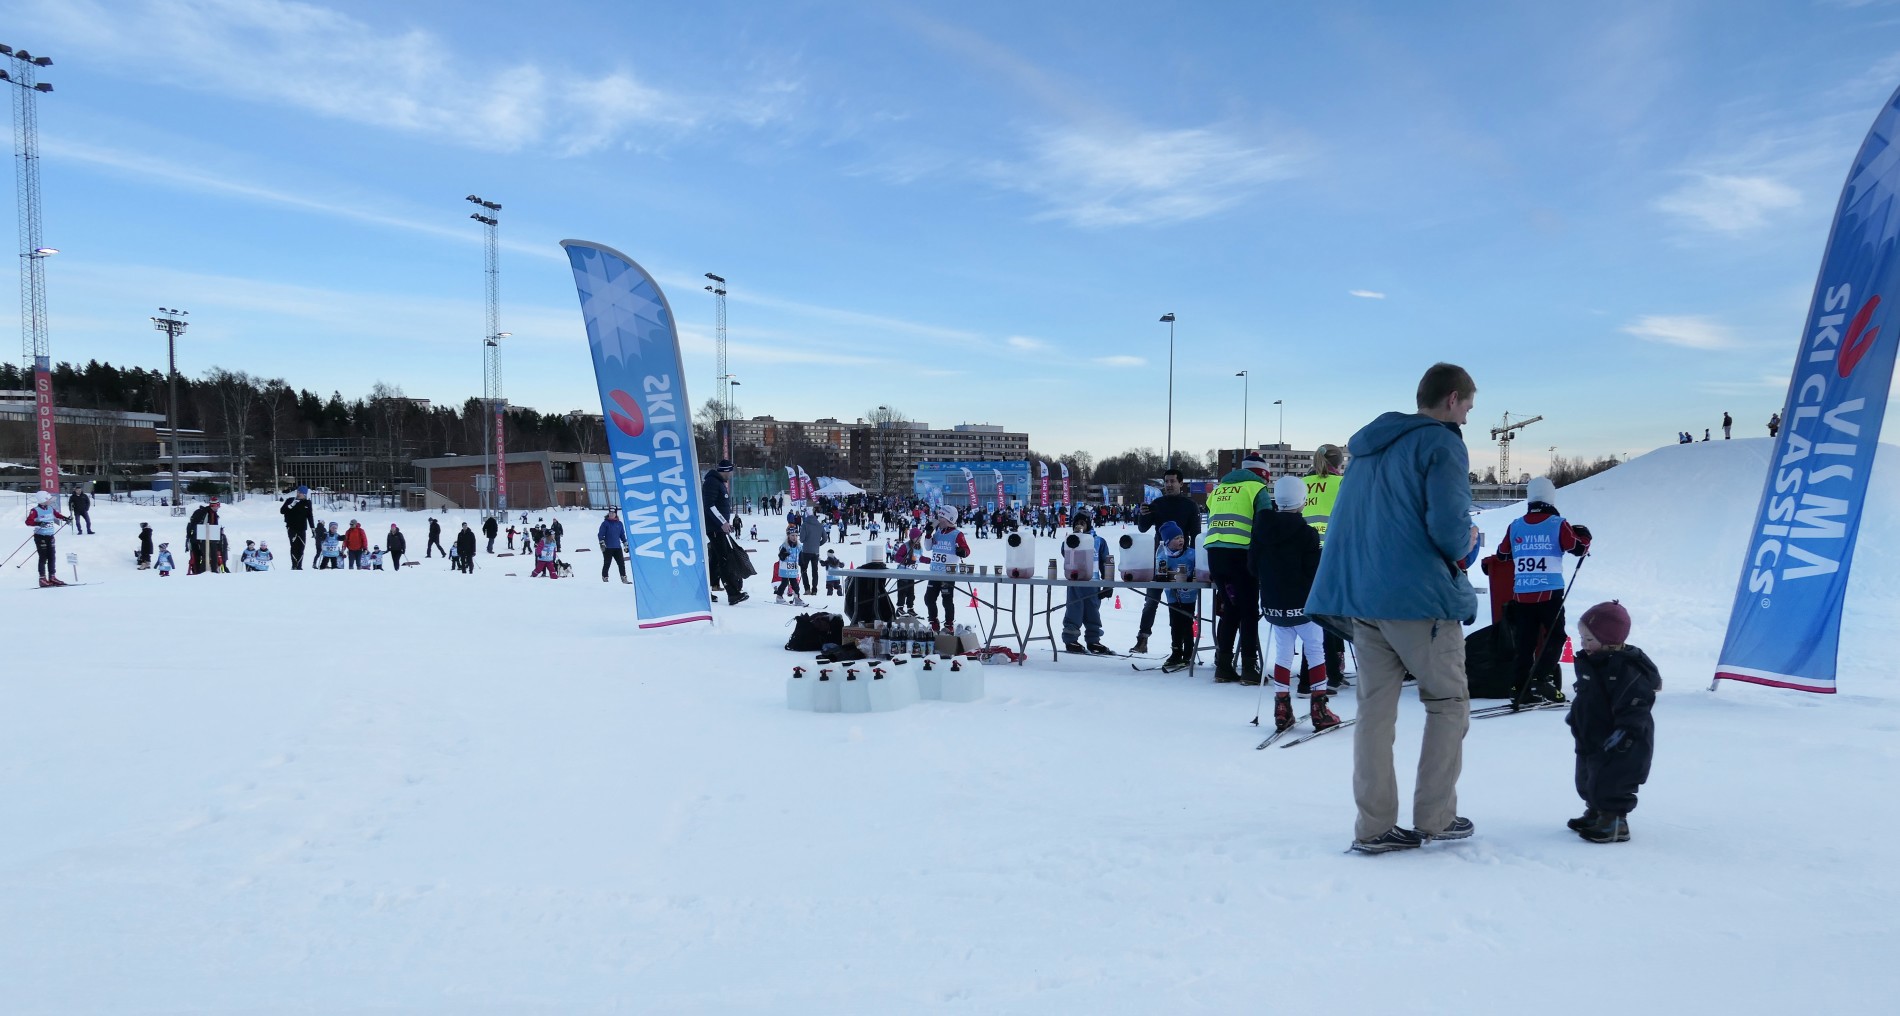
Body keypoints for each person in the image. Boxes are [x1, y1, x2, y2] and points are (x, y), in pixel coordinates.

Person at [1308, 362, 1485, 854]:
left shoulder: (1368, 449)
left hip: (1365, 598)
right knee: (1448, 703)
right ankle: (1436, 816)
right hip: (1419, 601)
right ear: (1452, 399)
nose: (1467, 418)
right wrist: (1468, 540)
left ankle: (1373, 826)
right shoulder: (1441, 443)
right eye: (1468, 407)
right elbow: (1448, 529)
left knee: (1374, 712)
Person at [1494, 476, 1592, 705]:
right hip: (1550, 592)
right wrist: (1585, 535)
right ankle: (1541, 678)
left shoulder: (1515, 525)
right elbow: (1578, 548)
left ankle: (1519, 687)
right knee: (1555, 636)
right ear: (1551, 497)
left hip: (1522, 593)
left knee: (1525, 642)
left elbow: (1502, 554)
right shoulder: (1558, 523)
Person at [1253, 475, 1340, 733]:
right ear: (1302, 500)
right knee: (1315, 650)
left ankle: (1282, 708)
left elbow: (1252, 566)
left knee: (1282, 653)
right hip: (1303, 606)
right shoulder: (1307, 534)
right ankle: (1319, 709)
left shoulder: (1261, 530)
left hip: (1274, 605)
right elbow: (1314, 572)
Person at [1567, 601, 1659, 844]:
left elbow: (1636, 705)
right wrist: (1575, 717)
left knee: (1613, 780)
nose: (1583, 644)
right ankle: (1595, 812)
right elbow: (1585, 696)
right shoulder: (1592, 661)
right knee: (1587, 776)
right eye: (1582, 638)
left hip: (1622, 739)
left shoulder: (1626, 669)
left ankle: (1614, 821)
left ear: (1609, 640)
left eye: (1589, 639)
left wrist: (1626, 732)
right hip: (1591, 733)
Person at [1203, 452, 1276, 683]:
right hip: (1241, 556)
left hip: (1215, 555)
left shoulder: (1219, 489)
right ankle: (1249, 668)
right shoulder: (1256, 489)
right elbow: (1265, 526)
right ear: (1262, 475)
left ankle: (1223, 667)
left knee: (1230, 610)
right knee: (1249, 612)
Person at [1132, 469, 1202, 656]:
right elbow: (1142, 528)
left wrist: (1194, 563)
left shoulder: (1190, 505)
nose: (1169, 485)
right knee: (1151, 601)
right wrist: (1143, 514)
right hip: (1161, 559)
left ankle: (1184, 647)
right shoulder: (1158, 503)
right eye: (1166, 481)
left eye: (1172, 481)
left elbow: (1196, 535)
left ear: (1181, 483)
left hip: (1182, 562)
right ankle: (1142, 639)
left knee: (1180, 607)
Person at [1300, 443, 1351, 693]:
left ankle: (1320, 670)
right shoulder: (1341, 483)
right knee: (1332, 613)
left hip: (1302, 554)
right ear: (1339, 463)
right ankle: (1332, 670)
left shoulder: (1302, 483)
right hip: (1331, 554)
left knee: (1314, 614)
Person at [1060, 509, 1115, 655]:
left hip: (1093, 583)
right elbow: (1064, 552)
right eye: (1077, 522)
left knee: (1093, 612)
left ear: (1089, 524)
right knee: (1074, 610)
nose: (1080, 525)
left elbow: (1105, 562)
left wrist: (1108, 584)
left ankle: (1093, 640)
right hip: (1075, 582)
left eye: (1083, 522)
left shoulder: (1099, 541)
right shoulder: (1070, 540)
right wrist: (1074, 538)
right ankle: (1071, 639)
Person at [702, 459, 749, 605]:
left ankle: (706, 591)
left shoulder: (718, 482)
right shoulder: (712, 482)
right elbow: (709, 505)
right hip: (715, 528)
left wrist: (725, 523)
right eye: (731, 471)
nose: (731, 474)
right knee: (724, 559)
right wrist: (722, 522)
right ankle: (733, 593)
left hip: (718, 527)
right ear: (726, 471)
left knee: (716, 560)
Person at [1154, 521, 1198, 671]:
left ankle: (1188, 653)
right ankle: (1176, 652)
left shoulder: (1191, 554)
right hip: (1172, 594)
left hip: (1189, 595)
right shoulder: (1162, 555)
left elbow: (1199, 571)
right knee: (1174, 623)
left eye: (1182, 537)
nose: (1181, 540)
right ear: (1167, 542)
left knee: (1187, 622)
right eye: (1176, 538)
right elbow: (1159, 573)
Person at [923, 504, 969, 632]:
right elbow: (928, 547)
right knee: (929, 598)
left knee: (947, 600)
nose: (938, 521)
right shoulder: (938, 532)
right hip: (934, 572)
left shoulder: (957, 534)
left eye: (941, 519)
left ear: (949, 520)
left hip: (948, 573)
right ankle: (933, 621)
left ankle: (949, 624)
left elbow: (967, 550)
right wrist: (928, 534)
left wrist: (962, 551)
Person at [23, 490, 69, 586]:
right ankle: (42, 578)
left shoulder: (50, 508)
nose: (50, 501)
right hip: (40, 537)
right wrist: (39, 523)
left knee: (52, 556)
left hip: (50, 536)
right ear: (43, 500)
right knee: (43, 557)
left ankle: (52, 577)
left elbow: (57, 515)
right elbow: (28, 522)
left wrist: (65, 518)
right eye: (48, 499)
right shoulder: (35, 510)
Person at [281, 486, 316, 569]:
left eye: (301, 493)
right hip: (291, 527)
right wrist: (291, 505)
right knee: (294, 546)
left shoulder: (307, 503)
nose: (299, 494)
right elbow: (282, 511)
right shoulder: (290, 500)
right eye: (298, 492)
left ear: (305, 494)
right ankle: (294, 565)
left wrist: (313, 528)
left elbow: (310, 516)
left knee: (301, 547)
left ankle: (299, 566)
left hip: (302, 528)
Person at [891, 527, 923, 615]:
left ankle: (910, 608)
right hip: (903, 573)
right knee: (902, 591)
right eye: (917, 538)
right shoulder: (905, 546)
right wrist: (906, 561)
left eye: (920, 537)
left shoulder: (919, 547)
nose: (919, 539)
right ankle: (900, 608)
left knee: (911, 592)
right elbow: (897, 557)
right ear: (912, 538)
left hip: (911, 573)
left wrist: (929, 560)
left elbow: (920, 558)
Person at [798, 510, 828, 597]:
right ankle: (814, 589)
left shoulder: (805, 525)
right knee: (815, 571)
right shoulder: (820, 525)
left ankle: (807, 589)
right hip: (815, 551)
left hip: (806, 551)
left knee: (804, 570)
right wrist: (818, 544)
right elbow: (825, 538)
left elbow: (802, 539)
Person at [598, 506, 629, 583]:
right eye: (610, 513)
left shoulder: (619, 524)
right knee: (607, 563)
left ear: (616, 514)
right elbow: (601, 534)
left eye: (613, 513)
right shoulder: (605, 523)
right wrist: (602, 542)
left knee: (621, 563)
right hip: (607, 547)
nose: (611, 514)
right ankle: (605, 577)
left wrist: (625, 543)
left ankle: (624, 578)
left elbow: (622, 535)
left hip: (617, 547)